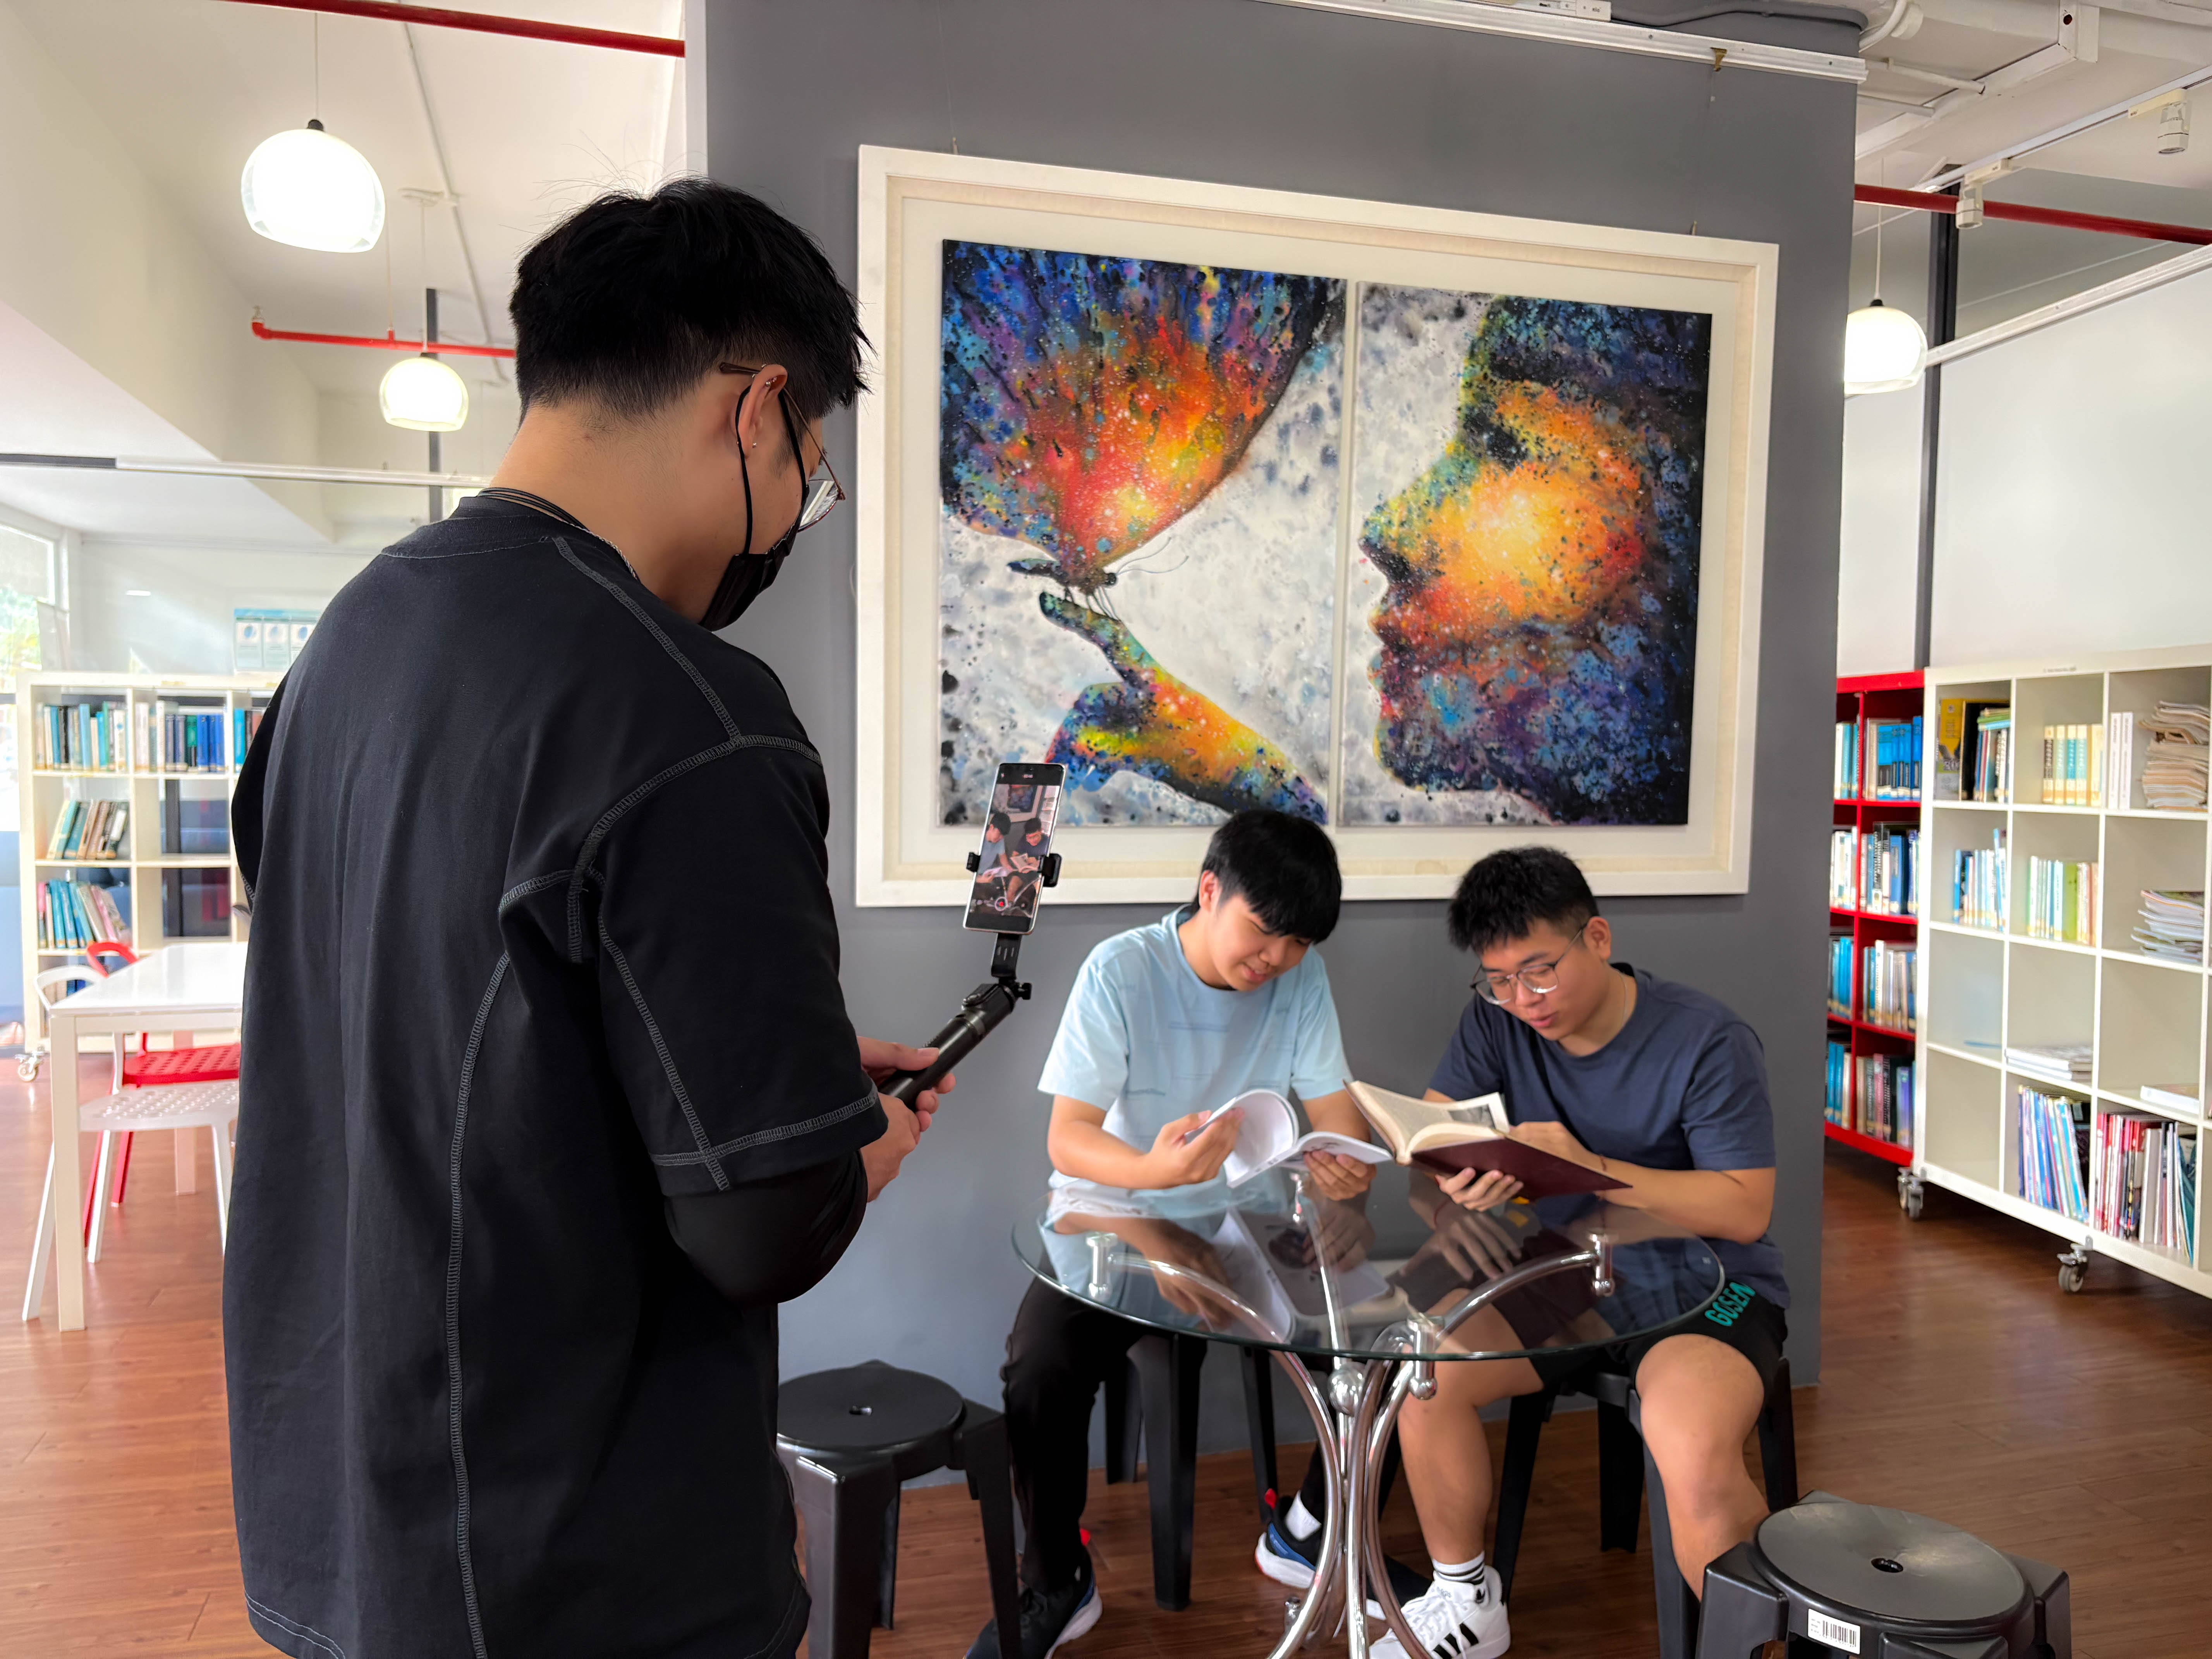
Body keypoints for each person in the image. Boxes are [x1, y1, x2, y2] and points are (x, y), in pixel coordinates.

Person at [223, 180, 954, 1659]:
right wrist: (854, 1147)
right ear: (757, 410)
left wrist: (782, 1081)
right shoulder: (689, 714)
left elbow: (437, 1011)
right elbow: (766, 1226)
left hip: (342, 1507)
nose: (792, 520)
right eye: (810, 474)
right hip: (576, 1559)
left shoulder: (343, 647)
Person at [973, 810, 1379, 1659]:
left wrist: (1347, 1171)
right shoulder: (1123, 969)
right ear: (1209, 890)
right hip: (1115, 1212)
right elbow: (1069, 1140)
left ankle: (1310, 1529)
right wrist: (1155, 1181)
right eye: (1264, 931)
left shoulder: (1301, 978)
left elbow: (1337, 1119)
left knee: (1386, 1347)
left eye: (1299, 943)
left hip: (1248, 1218)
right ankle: (1056, 1577)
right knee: (1038, 1366)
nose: (1277, 959)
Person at [1374, 846, 1786, 1659]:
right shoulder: (1495, 1022)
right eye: (1499, 980)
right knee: (1426, 1375)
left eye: (1539, 972)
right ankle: (1466, 1605)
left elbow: (1745, 1209)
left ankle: (1753, 1646)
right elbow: (1430, 1151)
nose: (1522, 1000)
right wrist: (1450, 1201)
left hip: (1710, 1284)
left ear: (1596, 938)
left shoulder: (1707, 1039)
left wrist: (1594, 1169)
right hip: (1568, 1271)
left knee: (1687, 1445)